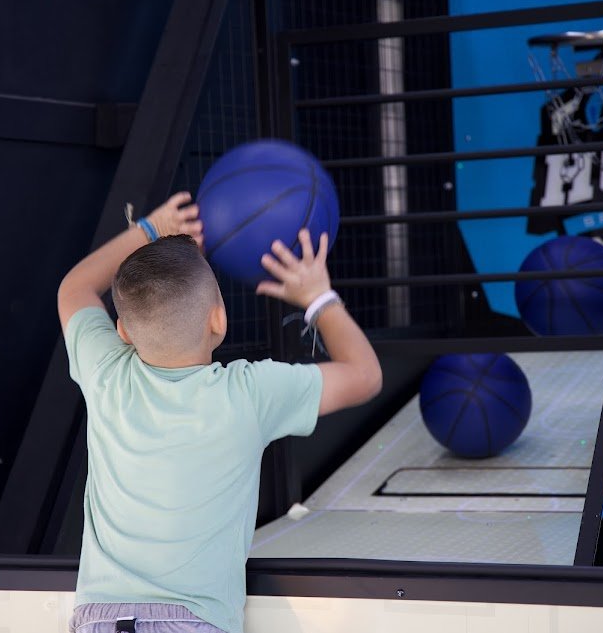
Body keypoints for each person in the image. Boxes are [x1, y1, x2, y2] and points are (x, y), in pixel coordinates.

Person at [58, 192, 382, 633]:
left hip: (101, 619)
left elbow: (74, 288)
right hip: (194, 622)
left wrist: (150, 228)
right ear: (219, 321)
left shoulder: (105, 373)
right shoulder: (249, 393)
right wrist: (318, 297)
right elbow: (365, 376)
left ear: (123, 332)